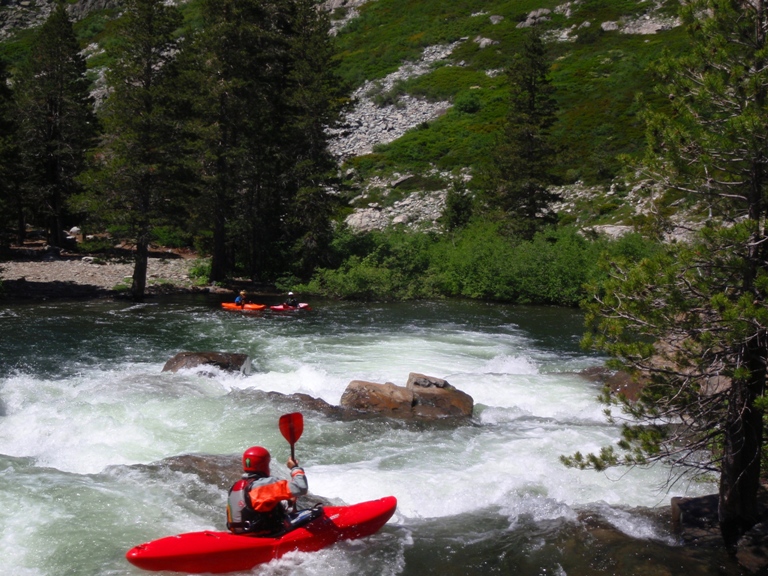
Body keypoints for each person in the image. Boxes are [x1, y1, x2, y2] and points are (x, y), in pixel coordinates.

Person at [226, 446, 308, 535]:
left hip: (240, 533)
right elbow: (301, 487)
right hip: (264, 534)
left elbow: (254, 506)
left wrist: (289, 502)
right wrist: (295, 468)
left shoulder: (236, 486)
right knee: (315, 514)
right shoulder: (265, 484)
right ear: (264, 465)